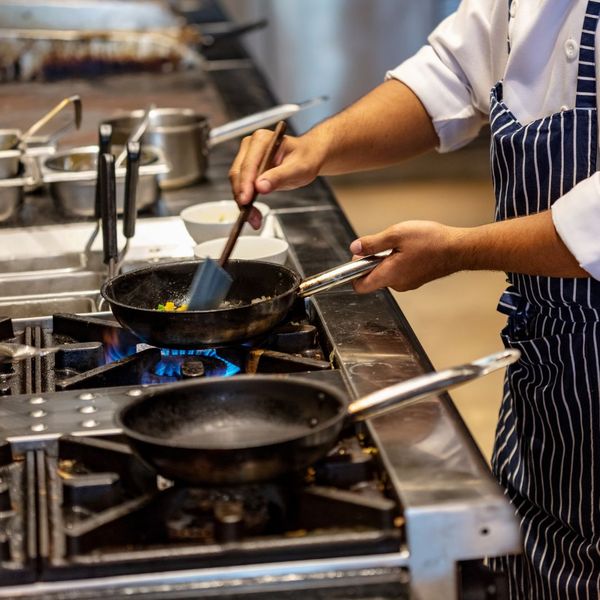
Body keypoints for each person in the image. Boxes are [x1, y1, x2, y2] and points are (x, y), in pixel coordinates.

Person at [229, 1, 600, 598]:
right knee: (534, 538)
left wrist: (458, 250)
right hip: (555, 354)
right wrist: (317, 148)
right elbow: (451, 75)